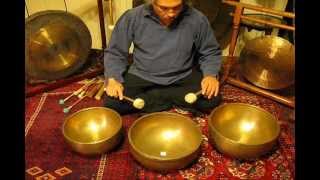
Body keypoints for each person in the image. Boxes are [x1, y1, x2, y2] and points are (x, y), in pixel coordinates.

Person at [103, 0, 222, 115]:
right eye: (164, 8)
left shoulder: (197, 18)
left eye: (176, 7)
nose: (171, 13)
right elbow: (115, 52)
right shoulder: (132, 17)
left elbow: (210, 51)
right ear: (151, 2)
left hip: (182, 76)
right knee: (112, 102)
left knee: (212, 99)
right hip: (142, 75)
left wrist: (210, 75)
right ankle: (175, 98)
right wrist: (113, 79)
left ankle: (152, 99)